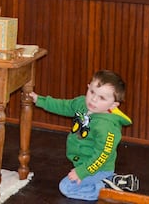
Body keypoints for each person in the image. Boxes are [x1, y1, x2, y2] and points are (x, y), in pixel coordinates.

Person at [29, 70, 138, 200]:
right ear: (88, 87)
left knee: (66, 187)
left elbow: (101, 156)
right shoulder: (82, 104)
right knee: (75, 182)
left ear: (114, 105)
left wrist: (82, 172)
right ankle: (111, 180)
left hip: (98, 168)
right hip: (83, 163)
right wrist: (39, 100)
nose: (93, 99)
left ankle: (106, 189)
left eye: (102, 98)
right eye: (92, 92)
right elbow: (63, 106)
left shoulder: (106, 127)